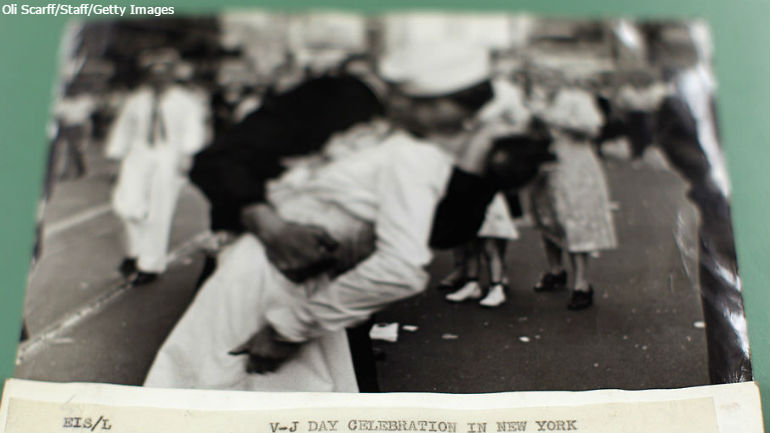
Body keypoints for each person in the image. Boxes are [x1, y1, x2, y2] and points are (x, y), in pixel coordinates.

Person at [143, 43, 555, 392]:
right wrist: (271, 226)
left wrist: (474, 172)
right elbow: (219, 161)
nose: (458, 126)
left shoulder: (426, 146)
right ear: (415, 98)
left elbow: (442, 232)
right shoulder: (336, 98)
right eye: (454, 113)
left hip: (326, 293)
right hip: (261, 270)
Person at [105, 49, 208, 286]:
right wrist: (116, 156)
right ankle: (134, 251)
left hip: (168, 155)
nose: (159, 78)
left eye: (164, 72)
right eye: (154, 73)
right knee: (126, 205)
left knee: (158, 210)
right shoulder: (137, 100)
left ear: (172, 75)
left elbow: (194, 130)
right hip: (138, 152)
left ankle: (149, 264)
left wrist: (187, 155)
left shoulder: (185, 101)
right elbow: (123, 128)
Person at [530, 87, 618, 310]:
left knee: (575, 218)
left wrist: (554, 120)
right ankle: (556, 270)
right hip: (545, 162)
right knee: (547, 217)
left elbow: (593, 128)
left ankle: (581, 284)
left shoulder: (576, 97)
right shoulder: (535, 96)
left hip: (574, 165)